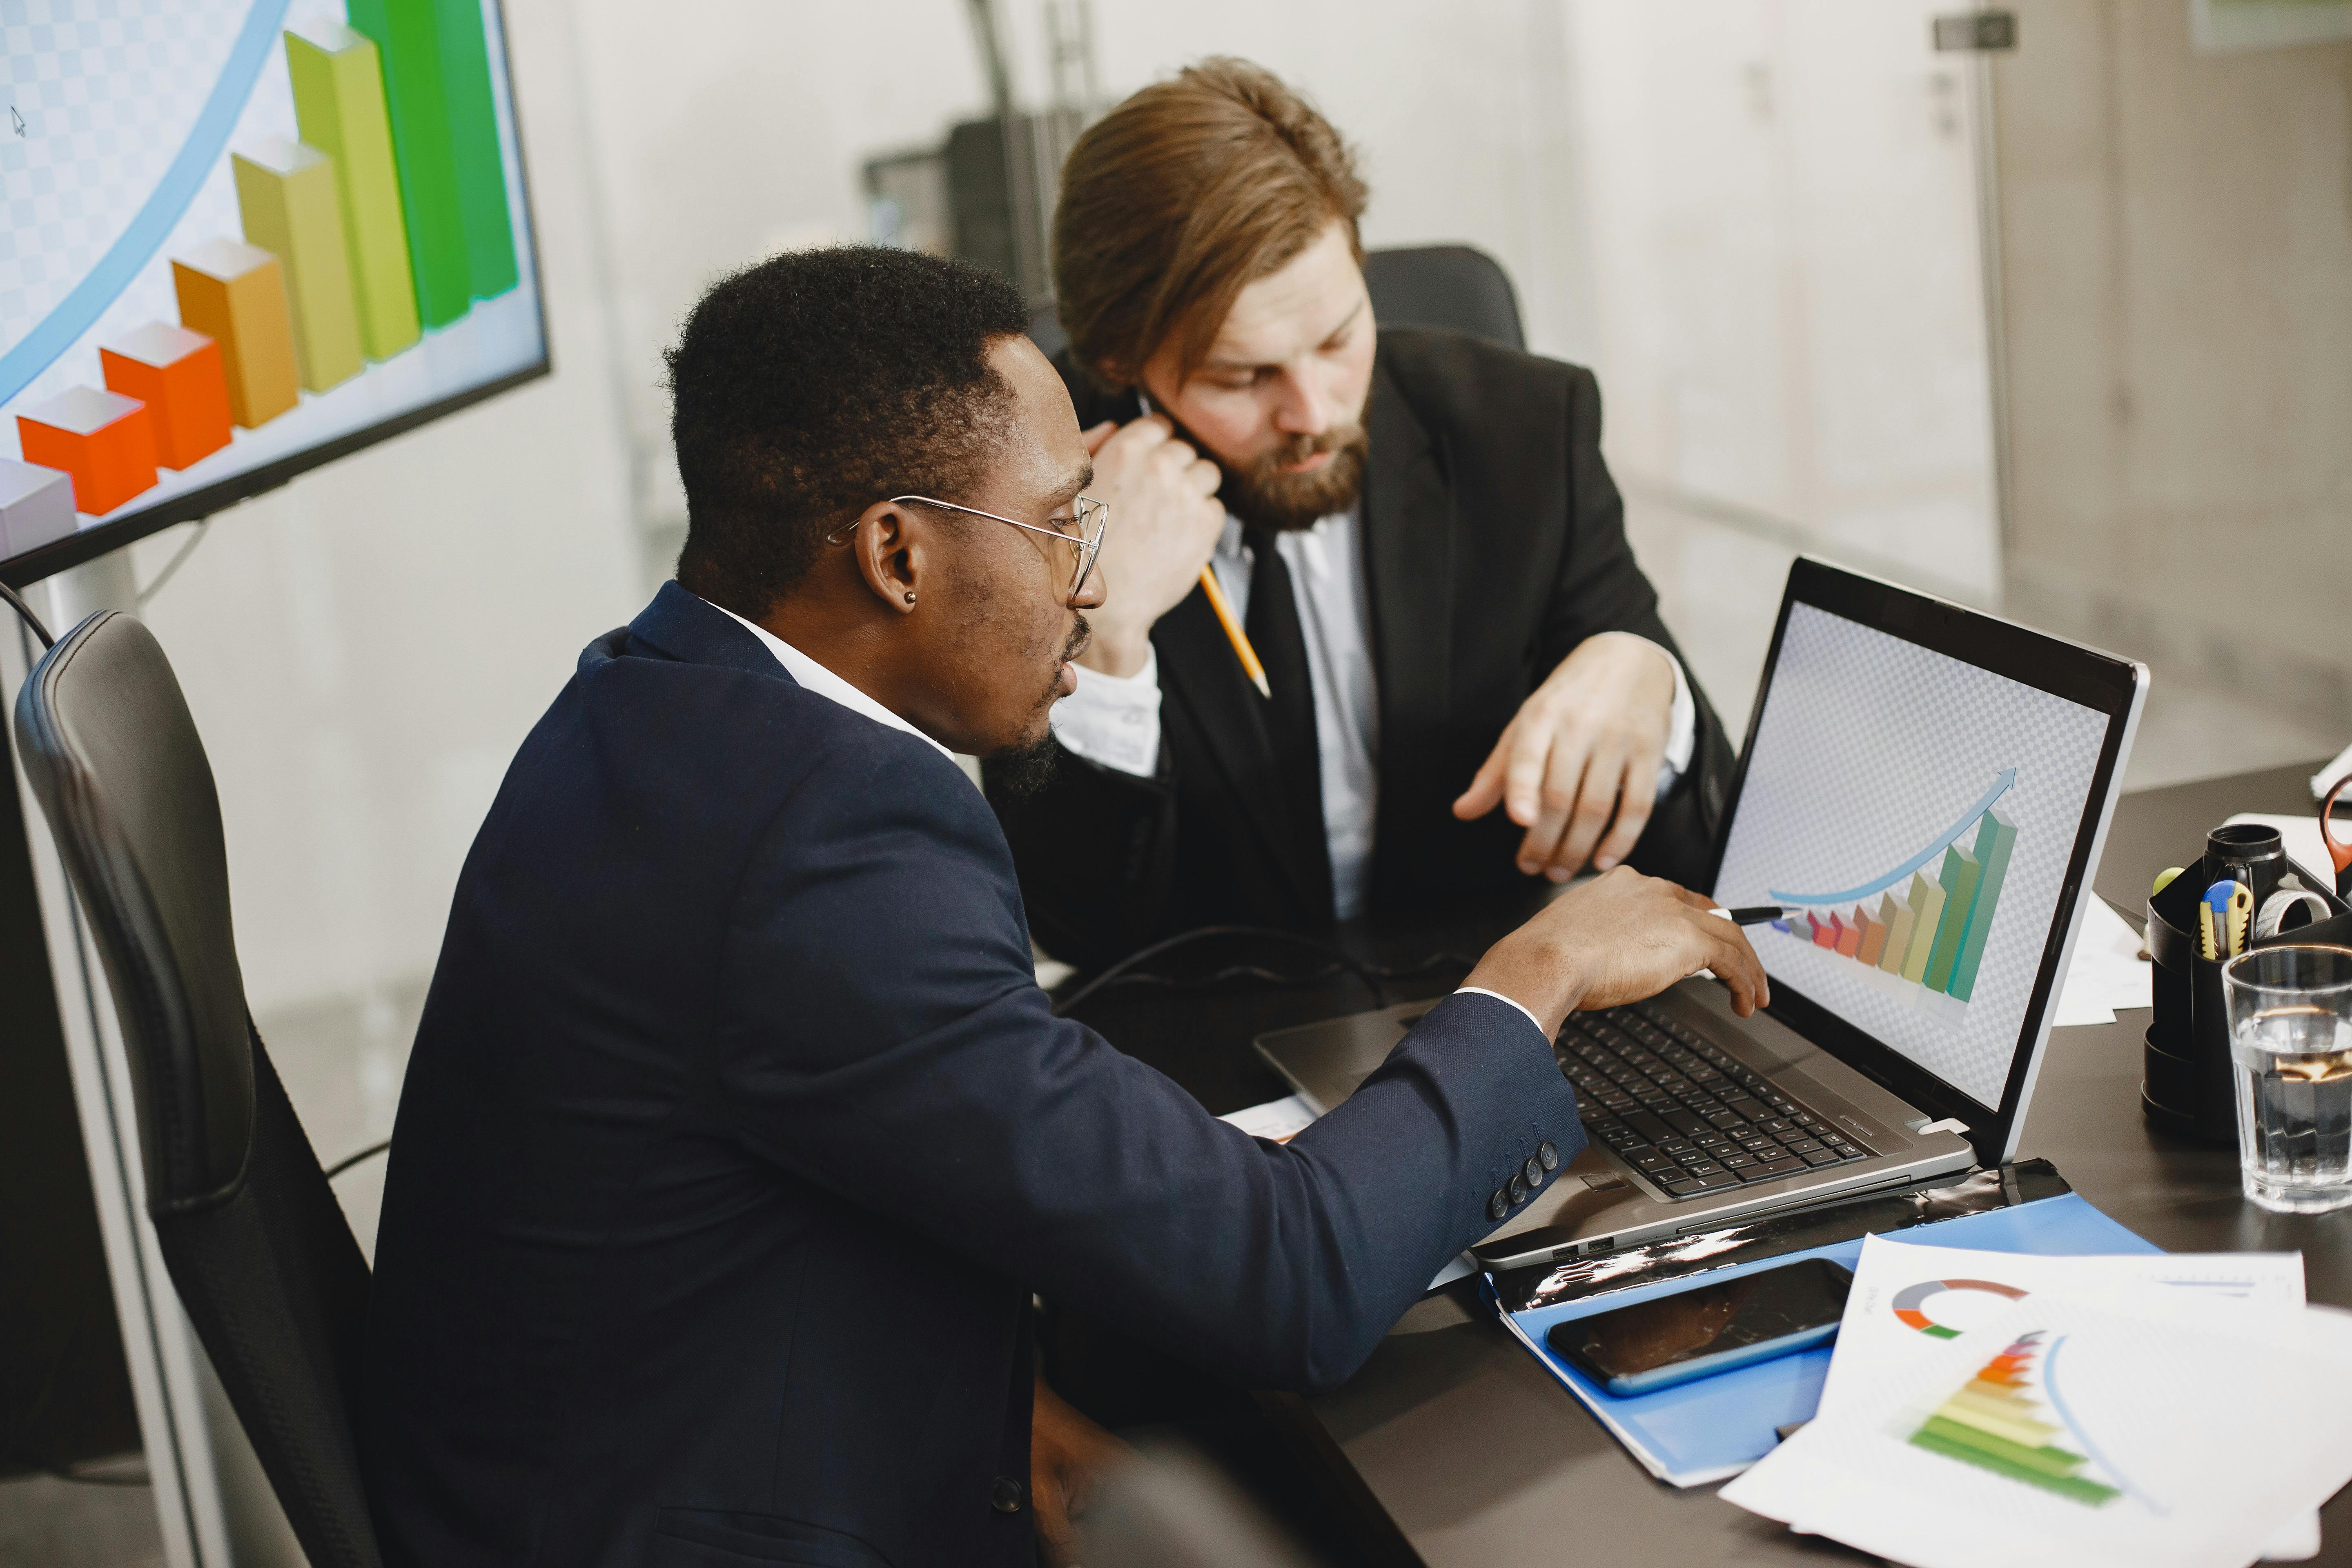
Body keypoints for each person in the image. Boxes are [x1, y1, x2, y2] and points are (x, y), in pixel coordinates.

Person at [356, 245, 1767, 1566]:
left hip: (652, 1436)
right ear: (896, 554)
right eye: (1058, 527)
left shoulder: (661, 699)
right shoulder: (824, 849)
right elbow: (1297, 1278)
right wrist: (1541, 974)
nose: (1090, 587)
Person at [987, 59, 1739, 969]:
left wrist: (1652, 685)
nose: (1316, 411)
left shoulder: (1524, 433)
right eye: (1243, 375)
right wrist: (1103, 637)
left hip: (1488, 1016)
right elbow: (1079, 932)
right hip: (1205, 1069)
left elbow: (1706, 875)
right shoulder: (1038, 496)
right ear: (1123, 357)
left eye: (1340, 339)